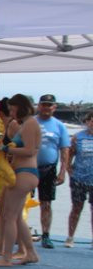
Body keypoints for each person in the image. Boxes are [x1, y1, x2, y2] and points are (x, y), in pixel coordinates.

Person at [0, 94, 41, 267]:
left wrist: (4, 148)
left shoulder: (30, 124)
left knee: (8, 216)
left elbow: (30, 150)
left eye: (12, 108)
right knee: (17, 217)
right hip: (23, 172)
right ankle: (31, 253)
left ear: (20, 106)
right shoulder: (26, 124)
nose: (10, 112)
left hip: (25, 172)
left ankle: (6, 257)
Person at [33, 94, 71, 248]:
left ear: (54, 107)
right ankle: (18, 233)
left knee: (46, 203)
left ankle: (46, 235)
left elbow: (65, 150)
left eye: (49, 105)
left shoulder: (59, 126)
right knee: (21, 202)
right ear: (39, 106)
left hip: (48, 169)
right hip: (29, 168)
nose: (46, 108)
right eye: (43, 104)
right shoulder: (31, 122)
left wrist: (63, 172)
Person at [64, 111, 93, 248]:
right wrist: (68, 169)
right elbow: (69, 154)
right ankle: (70, 237)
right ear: (86, 122)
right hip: (79, 178)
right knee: (76, 208)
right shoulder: (77, 137)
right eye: (91, 120)